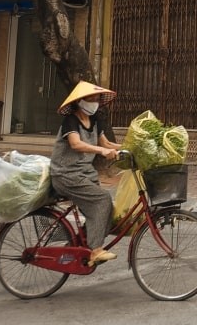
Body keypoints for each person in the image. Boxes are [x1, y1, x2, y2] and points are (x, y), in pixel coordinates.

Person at [49, 81, 122, 266]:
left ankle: (76, 247)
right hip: (66, 175)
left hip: (85, 174)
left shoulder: (95, 119)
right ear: (80, 101)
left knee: (107, 211)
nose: (95, 102)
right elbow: (76, 144)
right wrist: (100, 151)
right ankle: (95, 250)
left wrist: (128, 147)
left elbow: (106, 143)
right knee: (102, 201)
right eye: (92, 98)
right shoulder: (71, 120)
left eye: (97, 98)